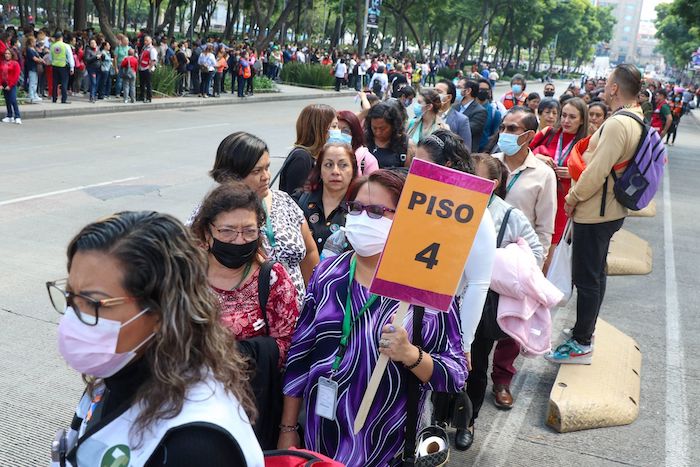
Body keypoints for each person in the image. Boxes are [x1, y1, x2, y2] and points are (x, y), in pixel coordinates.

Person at [279, 170, 467, 465]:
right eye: (355, 208)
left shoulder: (426, 291)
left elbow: (455, 375)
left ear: (405, 218)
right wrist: (288, 428)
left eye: (377, 211)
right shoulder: (329, 274)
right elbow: (300, 355)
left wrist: (411, 355)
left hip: (385, 444)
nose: (362, 217)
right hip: (320, 438)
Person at [48, 211, 264, 466]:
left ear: (162, 310)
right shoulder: (116, 372)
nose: (73, 317)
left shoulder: (196, 444)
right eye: (71, 296)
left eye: (94, 303)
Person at [546, 64, 644, 364]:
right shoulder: (635, 117)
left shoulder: (617, 124)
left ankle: (581, 341)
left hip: (596, 211)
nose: (604, 86)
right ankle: (583, 330)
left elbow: (596, 172)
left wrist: (572, 198)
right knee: (596, 274)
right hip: (609, 209)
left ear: (615, 88)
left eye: (608, 82)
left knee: (587, 278)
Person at [413, 131, 497, 451]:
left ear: (446, 165)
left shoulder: (476, 211)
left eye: (423, 164)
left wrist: (464, 343)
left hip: (450, 316)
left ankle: (461, 423)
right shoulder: (416, 197)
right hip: (411, 309)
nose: (415, 171)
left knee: (452, 380)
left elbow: (477, 282)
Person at [460, 153, 544, 448]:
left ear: (493, 184)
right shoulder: (454, 204)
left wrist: (499, 262)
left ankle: (467, 422)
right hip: (449, 300)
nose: (468, 177)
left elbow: (536, 254)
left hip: (483, 302)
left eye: (476, 173)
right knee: (445, 361)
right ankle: (438, 420)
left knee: (475, 364)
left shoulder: (510, 215)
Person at [206, 132, 320, 306]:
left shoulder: (285, 203)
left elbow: (310, 253)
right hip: (248, 323)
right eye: (257, 171)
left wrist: (316, 300)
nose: (266, 176)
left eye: (267, 167)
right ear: (231, 175)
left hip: (297, 319)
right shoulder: (211, 214)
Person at [491, 107, 556, 406]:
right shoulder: (489, 164)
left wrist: (537, 267)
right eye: (503, 127)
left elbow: (544, 228)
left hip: (517, 262)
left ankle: (502, 379)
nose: (505, 133)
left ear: (529, 136)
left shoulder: (542, 175)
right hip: (483, 254)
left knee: (512, 324)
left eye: (513, 129)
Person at [530, 97, 589, 269]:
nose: (566, 120)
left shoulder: (586, 143)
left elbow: (593, 175)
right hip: (536, 196)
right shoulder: (548, 133)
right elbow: (523, 152)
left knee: (548, 257)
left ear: (582, 120)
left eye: (572, 117)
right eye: (563, 115)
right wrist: (537, 156)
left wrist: (574, 174)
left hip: (562, 204)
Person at [298, 142, 358, 252]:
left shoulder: (358, 207)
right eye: (329, 165)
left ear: (353, 170)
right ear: (320, 170)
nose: (335, 171)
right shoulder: (304, 201)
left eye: (343, 165)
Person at [279, 104, 338, 196]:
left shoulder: (318, 156)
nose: (338, 131)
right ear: (319, 129)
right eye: (334, 126)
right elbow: (295, 200)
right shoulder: (301, 158)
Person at [365, 101, 413, 169]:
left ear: (393, 126)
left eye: (383, 129)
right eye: (374, 128)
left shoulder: (406, 145)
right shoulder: (364, 140)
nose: (378, 132)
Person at [337, 109, 379, 175]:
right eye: (335, 129)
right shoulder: (324, 156)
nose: (339, 134)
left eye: (345, 131)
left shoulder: (367, 160)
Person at [436, 79, 472, 151]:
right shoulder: (426, 114)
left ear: (448, 97)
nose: (434, 94)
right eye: (434, 91)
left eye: (439, 92)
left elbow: (466, 150)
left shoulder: (461, 120)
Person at [456, 79, 487, 153]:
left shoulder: (480, 111)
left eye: (459, 87)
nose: (457, 90)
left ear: (468, 91)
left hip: (464, 152)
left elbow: (466, 130)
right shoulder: (455, 106)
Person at [476, 79, 502, 152]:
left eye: (486, 90)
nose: (483, 92)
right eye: (480, 89)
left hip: (483, 152)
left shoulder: (495, 113)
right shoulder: (467, 109)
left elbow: (495, 135)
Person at [49, 31, 74, 104]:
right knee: (64, 83)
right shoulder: (66, 46)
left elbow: (50, 58)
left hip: (54, 66)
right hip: (63, 66)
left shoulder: (52, 46)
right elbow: (70, 57)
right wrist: (72, 67)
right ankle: (64, 99)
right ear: (61, 38)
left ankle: (54, 98)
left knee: (55, 83)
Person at [1, 48, 21, 124]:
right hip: (4, 83)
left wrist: (10, 85)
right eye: (6, 53)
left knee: (13, 99)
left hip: (12, 84)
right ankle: (9, 116)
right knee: (7, 100)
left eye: (8, 54)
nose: (7, 55)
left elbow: (16, 76)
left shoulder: (15, 63)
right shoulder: (2, 63)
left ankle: (17, 116)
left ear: (12, 55)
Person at [138, 35, 157, 103]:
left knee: (148, 84)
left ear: (150, 41)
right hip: (142, 67)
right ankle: (142, 96)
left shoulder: (152, 49)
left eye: (147, 40)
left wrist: (150, 68)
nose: (145, 42)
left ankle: (149, 97)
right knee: (142, 83)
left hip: (147, 68)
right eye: (145, 40)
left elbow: (153, 60)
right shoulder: (144, 48)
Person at [24, 36, 41, 103]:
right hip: (31, 67)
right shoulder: (29, 50)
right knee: (32, 82)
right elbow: (34, 58)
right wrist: (40, 60)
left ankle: (34, 94)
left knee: (35, 82)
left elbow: (38, 56)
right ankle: (31, 95)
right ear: (30, 42)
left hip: (35, 67)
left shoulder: (33, 49)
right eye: (34, 41)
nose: (35, 42)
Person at [84, 39, 100, 103]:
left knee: (96, 82)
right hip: (91, 68)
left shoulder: (97, 50)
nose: (93, 44)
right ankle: (92, 96)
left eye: (94, 43)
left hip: (98, 68)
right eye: (92, 43)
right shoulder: (88, 50)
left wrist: (102, 57)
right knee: (93, 82)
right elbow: (87, 59)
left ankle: (94, 95)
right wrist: (95, 57)